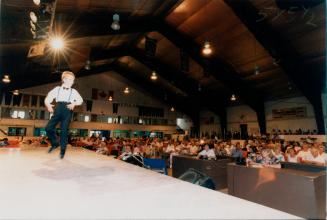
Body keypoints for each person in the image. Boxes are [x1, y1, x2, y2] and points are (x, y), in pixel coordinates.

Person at [45, 71, 83, 159]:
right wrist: (48, 105)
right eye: (69, 79)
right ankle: (55, 143)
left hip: (67, 109)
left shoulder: (74, 91)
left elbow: (80, 100)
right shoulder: (57, 89)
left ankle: (62, 150)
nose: (71, 81)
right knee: (48, 128)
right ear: (63, 79)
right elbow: (48, 98)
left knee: (64, 130)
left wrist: (74, 103)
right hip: (58, 108)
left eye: (72, 80)